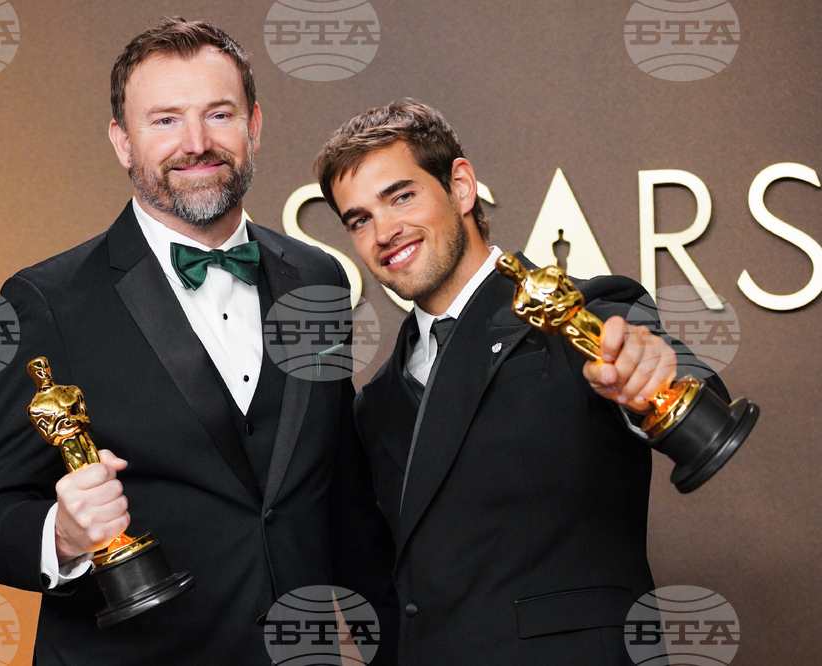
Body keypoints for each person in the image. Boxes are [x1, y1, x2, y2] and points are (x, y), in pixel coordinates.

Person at [0, 18, 396, 665]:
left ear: (254, 125)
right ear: (123, 142)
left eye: (218, 114)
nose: (196, 143)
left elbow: (347, 507)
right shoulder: (46, 300)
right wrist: (64, 533)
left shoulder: (318, 278)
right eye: (165, 120)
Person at [313, 99, 731, 665]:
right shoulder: (376, 403)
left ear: (461, 187)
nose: (385, 231)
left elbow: (680, 382)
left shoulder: (585, 314)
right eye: (359, 220)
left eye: (401, 196)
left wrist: (650, 376)